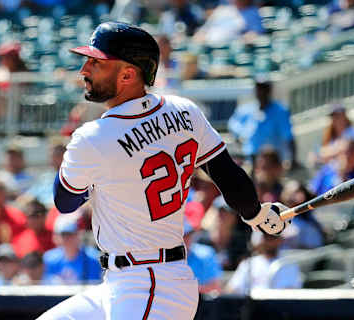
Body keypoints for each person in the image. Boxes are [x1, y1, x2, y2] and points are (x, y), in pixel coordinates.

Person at [37, 22, 290, 320]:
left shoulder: (93, 137)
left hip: (147, 284)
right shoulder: (184, 110)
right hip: (131, 281)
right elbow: (227, 174)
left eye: (96, 62)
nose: (84, 69)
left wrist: (88, 160)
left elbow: (66, 202)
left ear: (129, 74)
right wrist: (257, 214)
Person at [228, 79, 297, 167]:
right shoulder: (247, 110)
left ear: (269, 90)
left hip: (272, 162)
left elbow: (289, 137)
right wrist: (238, 137)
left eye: (264, 88)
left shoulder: (280, 111)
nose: (261, 92)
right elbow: (233, 125)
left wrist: (293, 160)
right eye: (258, 88)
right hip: (250, 160)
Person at [225, 227, 302, 295]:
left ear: (280, 240)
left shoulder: (288, 264)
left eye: (272, 237)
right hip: (252, 307)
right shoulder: (248, 264)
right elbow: (232, 290)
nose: (269, 241)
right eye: (266, 236)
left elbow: (291, 294)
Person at [42, 216, 101, 285]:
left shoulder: (93, 258)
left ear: (77, 235)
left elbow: (93, 285)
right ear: (56, 237)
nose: (67, 238)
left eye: (70, 234)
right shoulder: (48, 259)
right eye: (63, 234)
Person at [184, 220, 222, 294]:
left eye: (188, 234)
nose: (186, 238)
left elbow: (215, 287)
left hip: (202, 303)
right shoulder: (164, 257)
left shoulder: (206, 254)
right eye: (183, 235)